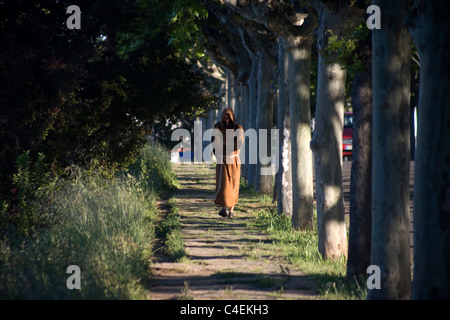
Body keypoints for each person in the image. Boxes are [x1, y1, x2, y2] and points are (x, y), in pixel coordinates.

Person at [212, 108, 244, 218]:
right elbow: (216, 143)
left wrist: (225, 143)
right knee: (223, 185)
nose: (227, 120)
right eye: (225, 118)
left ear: (232, 118)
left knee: (234, 185)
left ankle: (231, 210)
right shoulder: (218, 128)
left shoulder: (238, 128)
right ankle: (224, 208)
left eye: (228, 118)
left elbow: (238, 144)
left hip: (234, 161)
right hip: (222, 160)